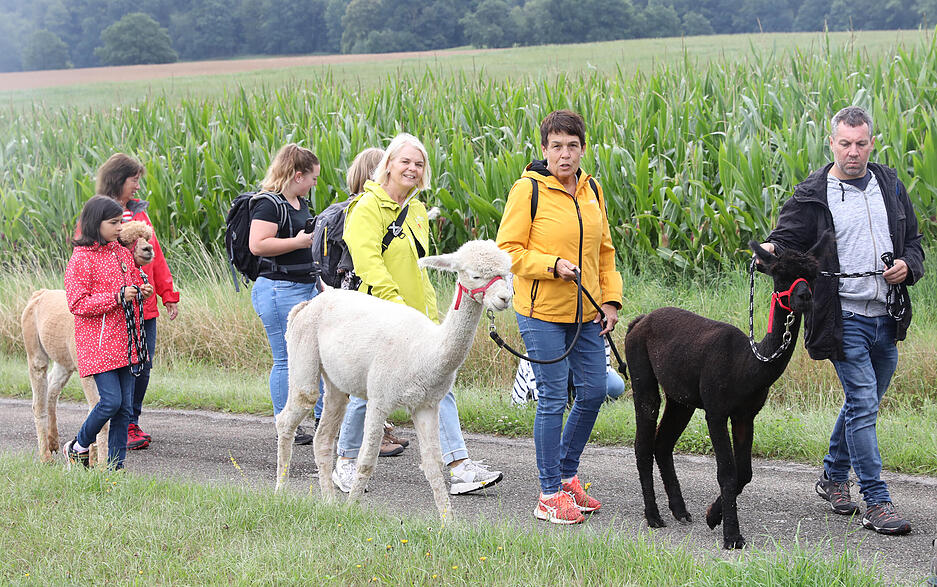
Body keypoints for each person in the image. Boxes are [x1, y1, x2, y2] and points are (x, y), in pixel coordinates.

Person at [763, 105, 924, 536]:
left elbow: (915, 243)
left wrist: (908, 265)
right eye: (845, 143)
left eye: (861, 143)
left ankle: (833, 477)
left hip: (887, 316)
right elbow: (781, 244)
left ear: (872, 142)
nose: (853, 152)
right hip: (842, 317)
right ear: (831, 143)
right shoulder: (812, 194)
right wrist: (769, 253)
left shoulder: (890, 184)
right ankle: (877, 501)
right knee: (865, 403)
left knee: (860, 404)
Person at [331, 133, 503, 495]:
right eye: (406, 161)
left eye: (419, 164)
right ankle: (345, 462)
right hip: (380, 316)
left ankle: (458, 465)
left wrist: (427, 311)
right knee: (370, 392)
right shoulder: (367, 207)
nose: (412, 168)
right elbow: (367, 261)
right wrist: (394, 303)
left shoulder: (418, 211)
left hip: (418, 318)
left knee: (441, 381)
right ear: (389, 164)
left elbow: (419, 266)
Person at [496, 110, 622, 525]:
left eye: (572, 146)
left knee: (591, 392)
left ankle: (567, 477)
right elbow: (508, 251)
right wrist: (551, 264)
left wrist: (611, 302)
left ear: (583, 149)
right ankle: (548, 494)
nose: (564, 154)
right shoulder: (527, 190)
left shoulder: (592, 190)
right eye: (556, 146)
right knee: (552, 397)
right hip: (541, 312)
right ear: (545, 149)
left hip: (586, 312)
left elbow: (604, 252)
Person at [63, 195, 153, 469]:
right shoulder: (81, 260)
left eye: (120, 222)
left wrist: (141, 289)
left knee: (125, 408)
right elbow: (77, 303)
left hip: (126, 342)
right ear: (95, 223)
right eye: (113, 222)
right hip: (99, 344)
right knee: (111, 402)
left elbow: (131, 284)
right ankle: (78, 445)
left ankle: (115, 469)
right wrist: (116, 297)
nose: (119, 227)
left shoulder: (121, 253)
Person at [97, 153, 180, 450]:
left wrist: (168, 295)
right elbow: (87, 255)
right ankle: (119, 423)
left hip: (143, 305)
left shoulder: (141, 215)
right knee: (120, 366)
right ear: (119, 179)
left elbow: (155, 257)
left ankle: (131, 420)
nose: (138, 187)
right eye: (134, 181)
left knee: (143, 365)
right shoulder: (97, 213)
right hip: (115, 305)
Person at [336, 146, 411, 458]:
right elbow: (367, 262)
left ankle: (373, 435)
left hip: (366, 299)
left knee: (373, 380)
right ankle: (351, 448)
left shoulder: (384, 207)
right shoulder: (365, 208)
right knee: (367, 382)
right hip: (365, 299)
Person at [248, 143, 322, 444]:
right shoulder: (269, 204)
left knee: (316, 357)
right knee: (285, 359)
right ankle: (285, 422)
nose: (315, 184)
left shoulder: (298, 202)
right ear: (297, 174)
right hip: (279, 289)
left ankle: (321, 418)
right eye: (313, 178)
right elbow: (258, 245)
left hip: (305, 286)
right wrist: (299, 242)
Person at [512, 338, 625, 406]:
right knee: (554, 398)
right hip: (555, 362)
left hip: (581, 364)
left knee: (615, 386)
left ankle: (578, 397)